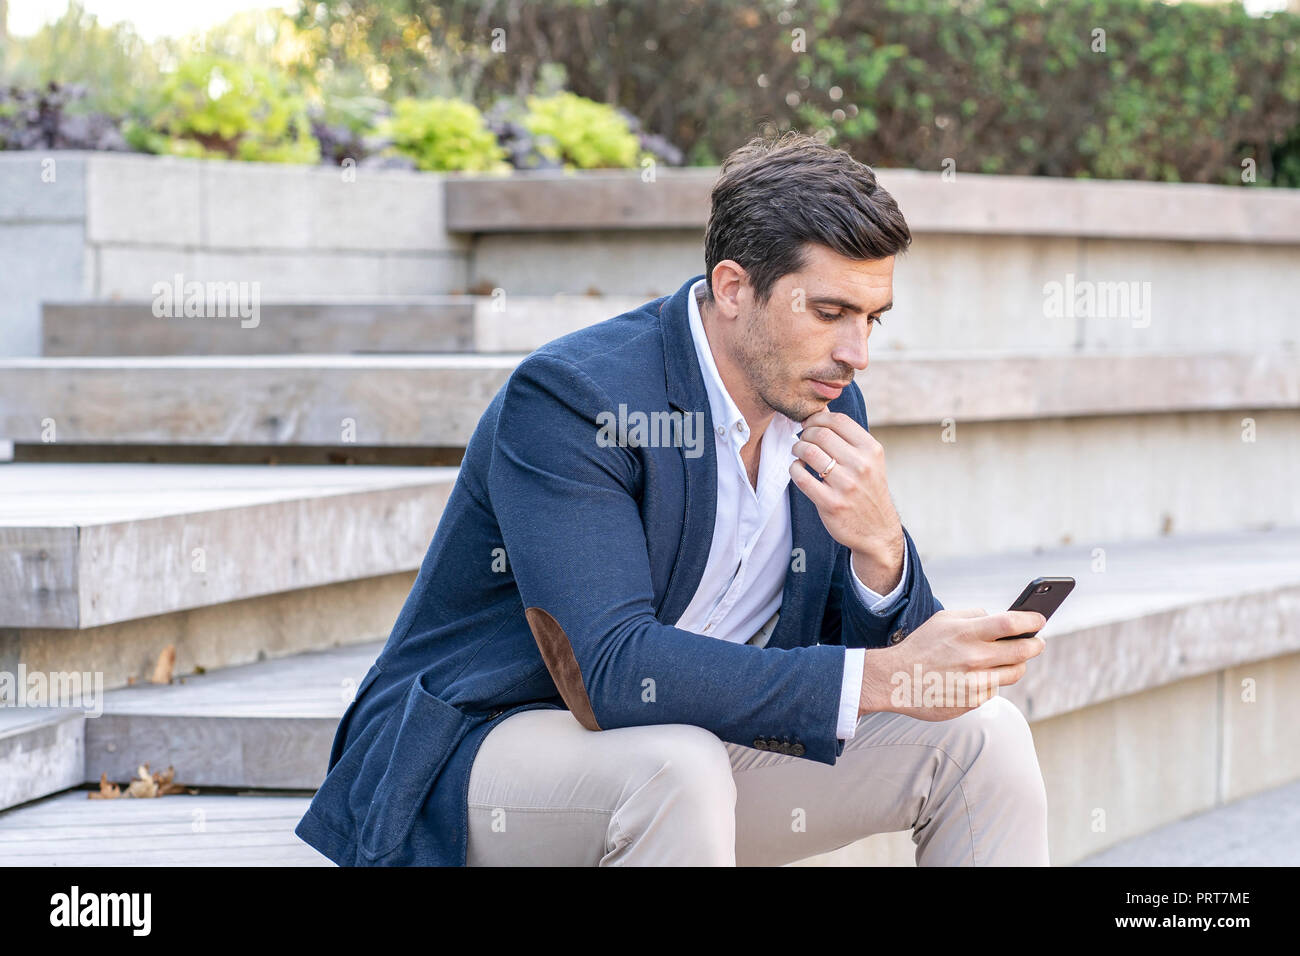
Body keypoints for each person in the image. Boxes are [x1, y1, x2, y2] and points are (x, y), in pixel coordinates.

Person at [295, 130, 1050, 867]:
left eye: (870, 319)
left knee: (985, 737)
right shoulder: (576, 399)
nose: (857, 352)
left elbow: (890, 664)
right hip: (478, 753)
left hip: (694, 748)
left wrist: (882, 549)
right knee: (677, 767)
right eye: (828, 313)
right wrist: (883, 677)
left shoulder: (826, 409)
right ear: (732, 288)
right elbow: (613, 671)